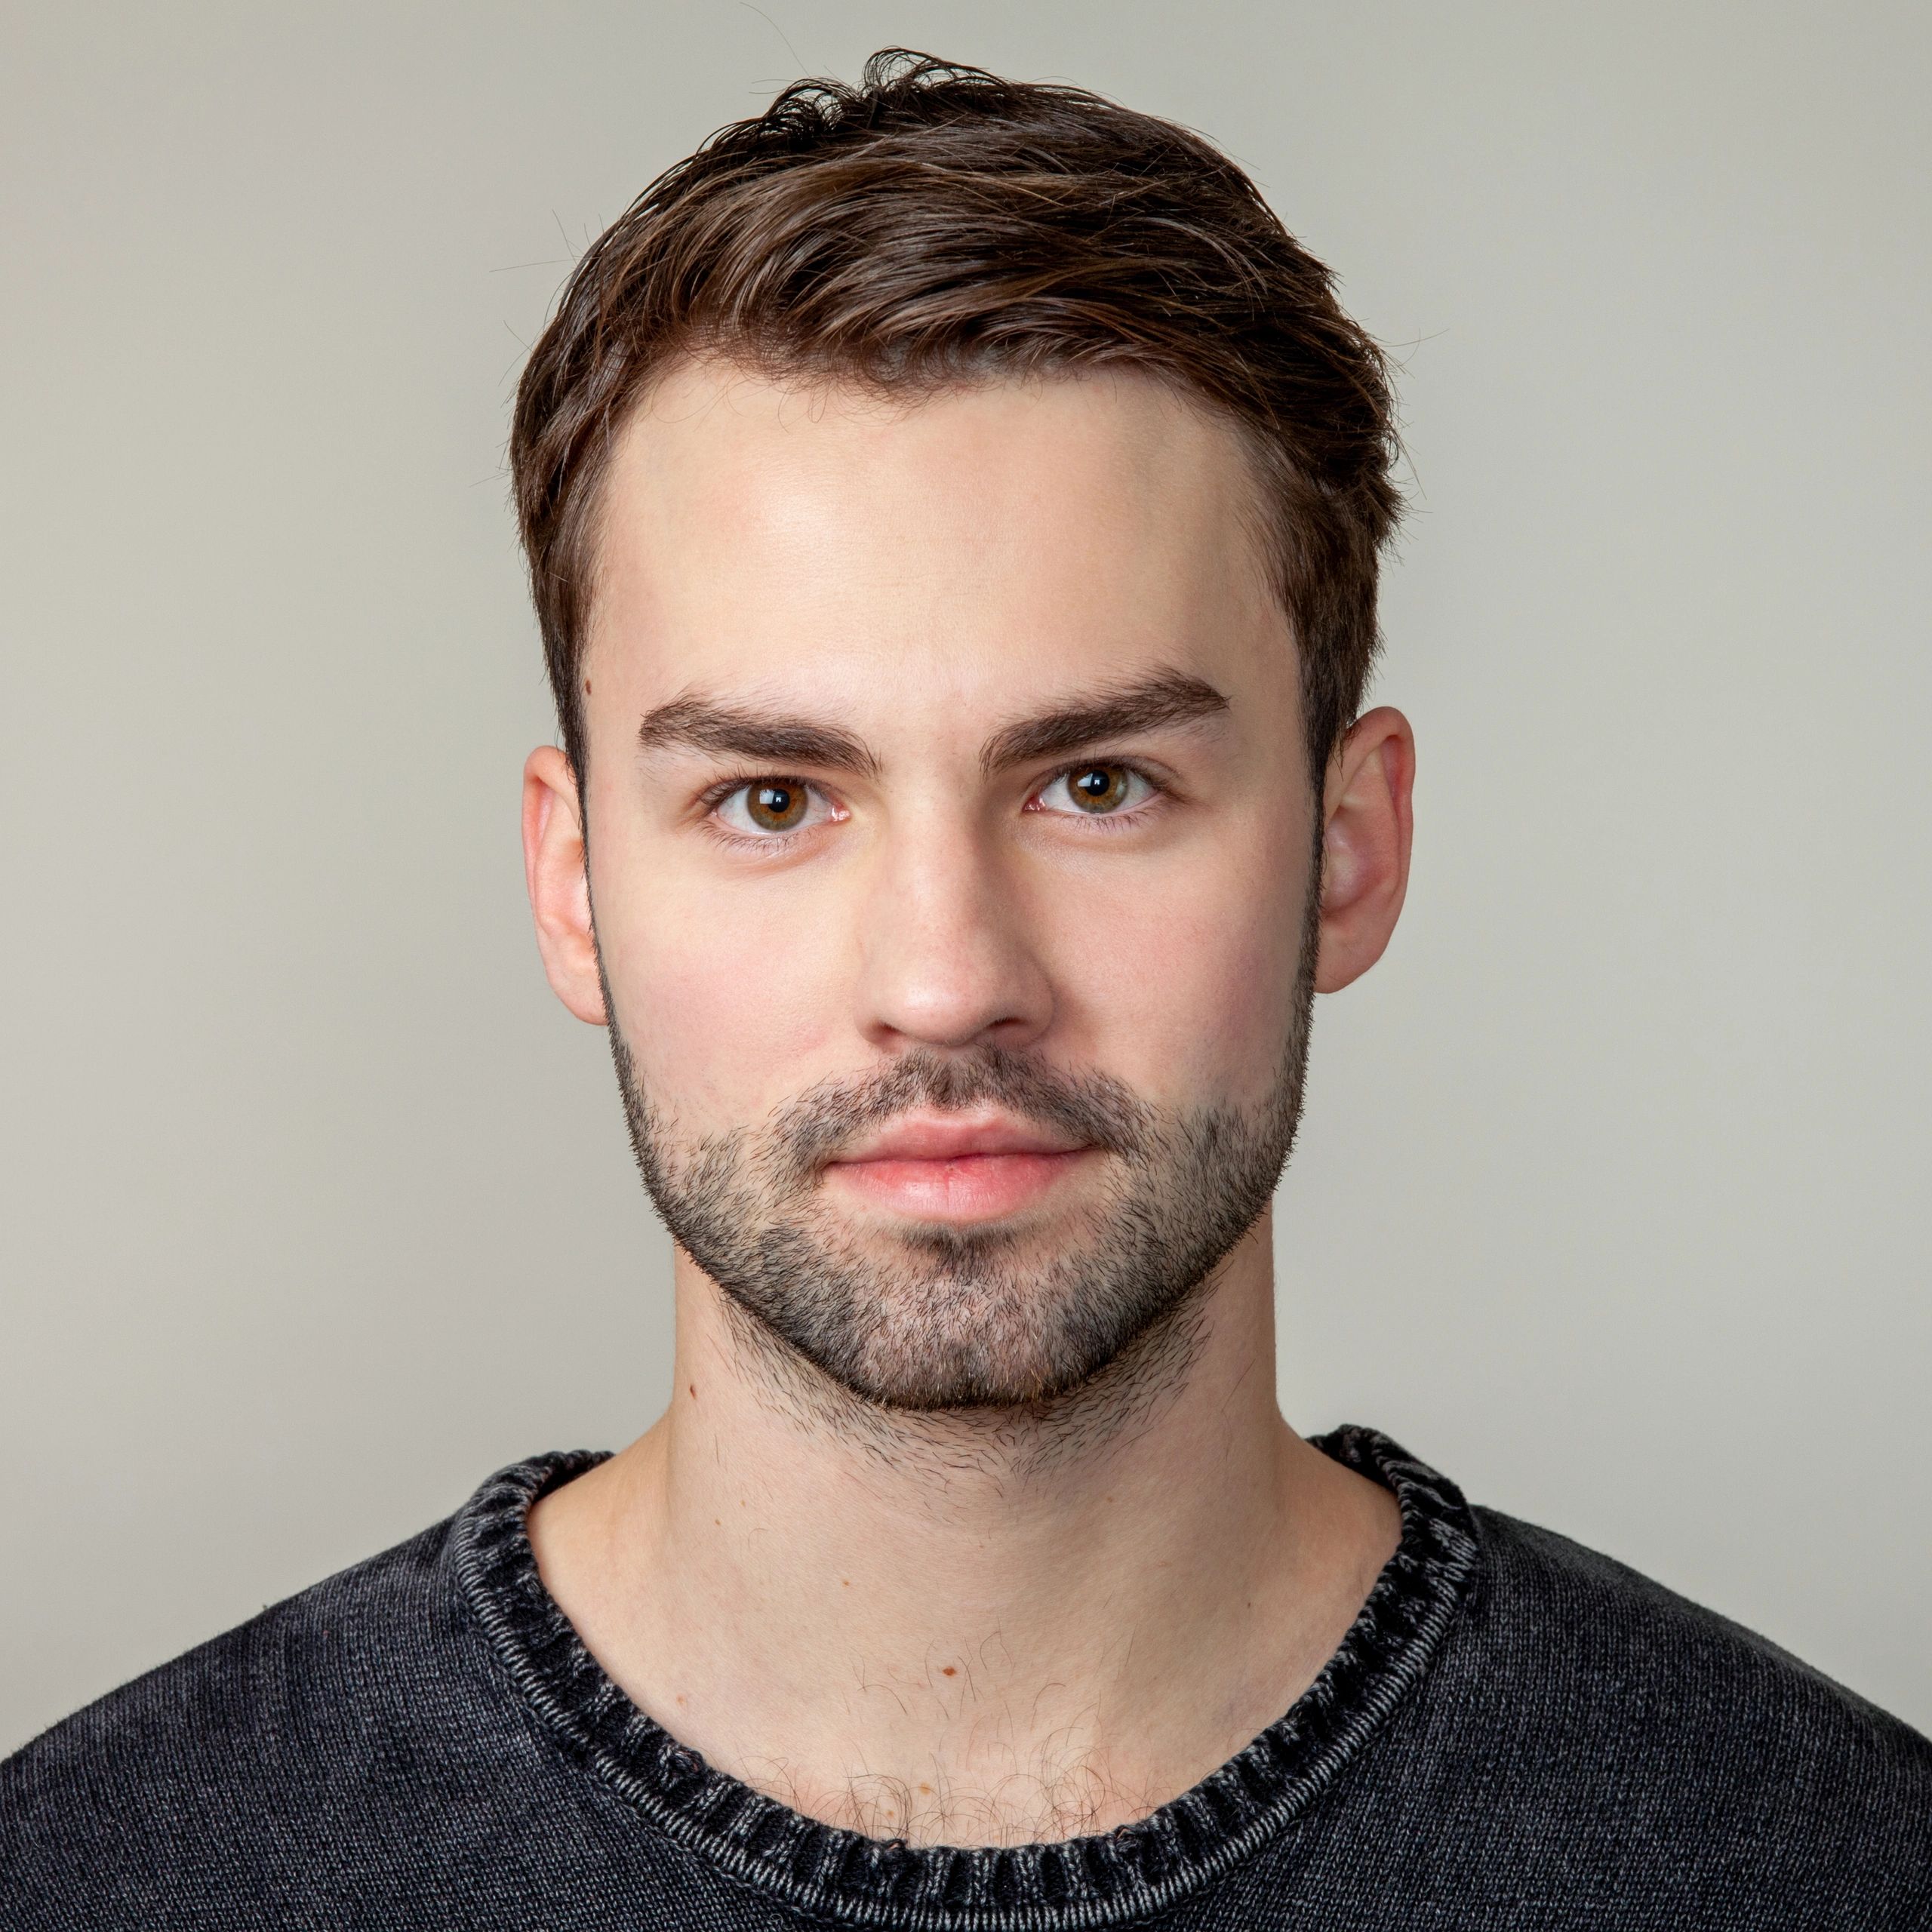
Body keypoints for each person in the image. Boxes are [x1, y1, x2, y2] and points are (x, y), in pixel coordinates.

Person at [3, 48, 1926, 1930]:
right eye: (771, 797)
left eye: (1096, 784)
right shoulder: (101, 1873)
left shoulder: (1831, 1863)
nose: (943, 981)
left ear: (1348, 846)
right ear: (574, 882)